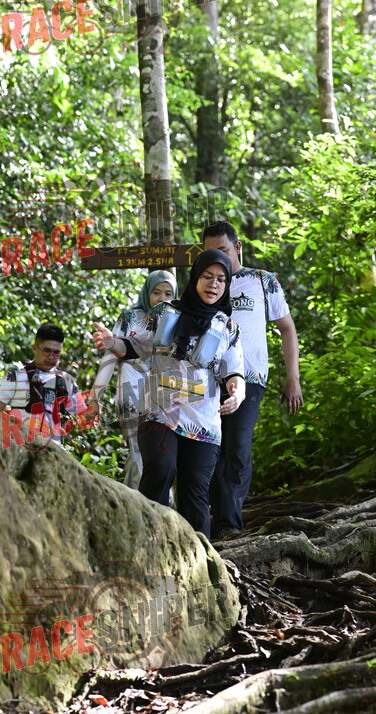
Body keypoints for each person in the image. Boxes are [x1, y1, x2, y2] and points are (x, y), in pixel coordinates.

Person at [92, 249, 245, 538]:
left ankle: (199, 556)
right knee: (160, 470)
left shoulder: (228, 327)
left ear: (226, 285)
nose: (213, 284)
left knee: (195, 491)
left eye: (221, 279)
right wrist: (113, 343)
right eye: (207, 276)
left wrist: (237, 392)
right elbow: (136, 346)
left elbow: (234, 371)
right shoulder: (165, 313)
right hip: (159, 412)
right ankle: (146, 541)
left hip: (203, 422)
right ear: (195, 278)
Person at [202, 221, 303, 537]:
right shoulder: (205, 283)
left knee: (237, 447)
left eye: (224, 250)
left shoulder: (262, 281)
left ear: (238, 247)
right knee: (210, 448)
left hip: (250, 377)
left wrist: (293, 377)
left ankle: (229, 524)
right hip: (207, 379)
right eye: (211, 253)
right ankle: (213, 522)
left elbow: (287, 328)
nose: (218, 258)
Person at [88, 270, 177, 489]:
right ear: (147, 292)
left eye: (168, 294)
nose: (162, 298)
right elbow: (110, 357)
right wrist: (95, 397)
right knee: (138, 450)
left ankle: (143, 500)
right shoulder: (129, 318)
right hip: (131, 386)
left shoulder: (177, 319)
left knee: (160, 453)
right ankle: (146, 504)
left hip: (164, 394)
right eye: (156, 292)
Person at [0, 322, 83, 448]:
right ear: (34, 348)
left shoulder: (66, 381)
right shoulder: (16, 373)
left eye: (56, 352)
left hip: (53, 451)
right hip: (18, 447)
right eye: (46, 350)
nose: (51, 357)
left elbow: (84, 416)